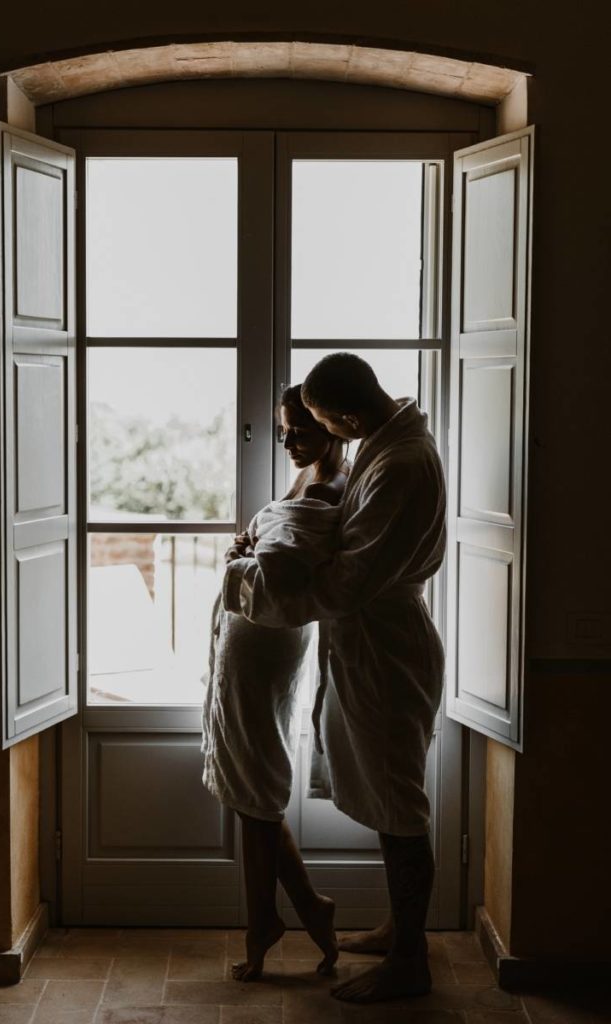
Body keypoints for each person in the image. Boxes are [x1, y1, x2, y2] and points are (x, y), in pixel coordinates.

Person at [223, 353, 446, 1003]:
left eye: (319, 422)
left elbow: (346, 582)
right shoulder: (385, 439)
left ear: (346, 416)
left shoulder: (399, 464)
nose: (314, 435)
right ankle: (397, 929)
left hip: (387, 648)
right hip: (371, 643)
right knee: (388, 795)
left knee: (401, 804)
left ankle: (410, 959)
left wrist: (243, 575)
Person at [202, 385, 349, 982]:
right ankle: (291, 914)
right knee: (249, 793)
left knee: (255, 790)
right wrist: (249, 549)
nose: (288, 441)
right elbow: (272, 556)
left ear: (335, 427)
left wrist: (242, 557)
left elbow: (282, 571)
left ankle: (285, 917)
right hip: (254, 636)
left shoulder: (326, 488)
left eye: (301, 431)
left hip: (266, 642)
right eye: (284, 430)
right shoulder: (310, 476)